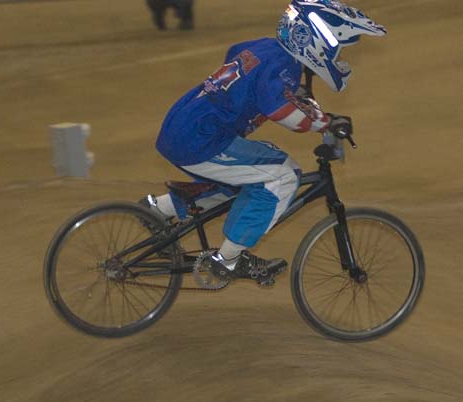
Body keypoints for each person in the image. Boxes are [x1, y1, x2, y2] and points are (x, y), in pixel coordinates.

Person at [143, 0, 386, 284]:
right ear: (315, 42)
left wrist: (291, 92)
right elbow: (282, 112)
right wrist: (327, 122)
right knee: (282, 175)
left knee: (246, 179)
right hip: (202, 140)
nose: (338, 55)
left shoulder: (267, 48)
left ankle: (158, 210)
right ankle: (229, 259)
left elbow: (237, 57)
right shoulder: (284, 65)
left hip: (184, 126)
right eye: (336, 47)